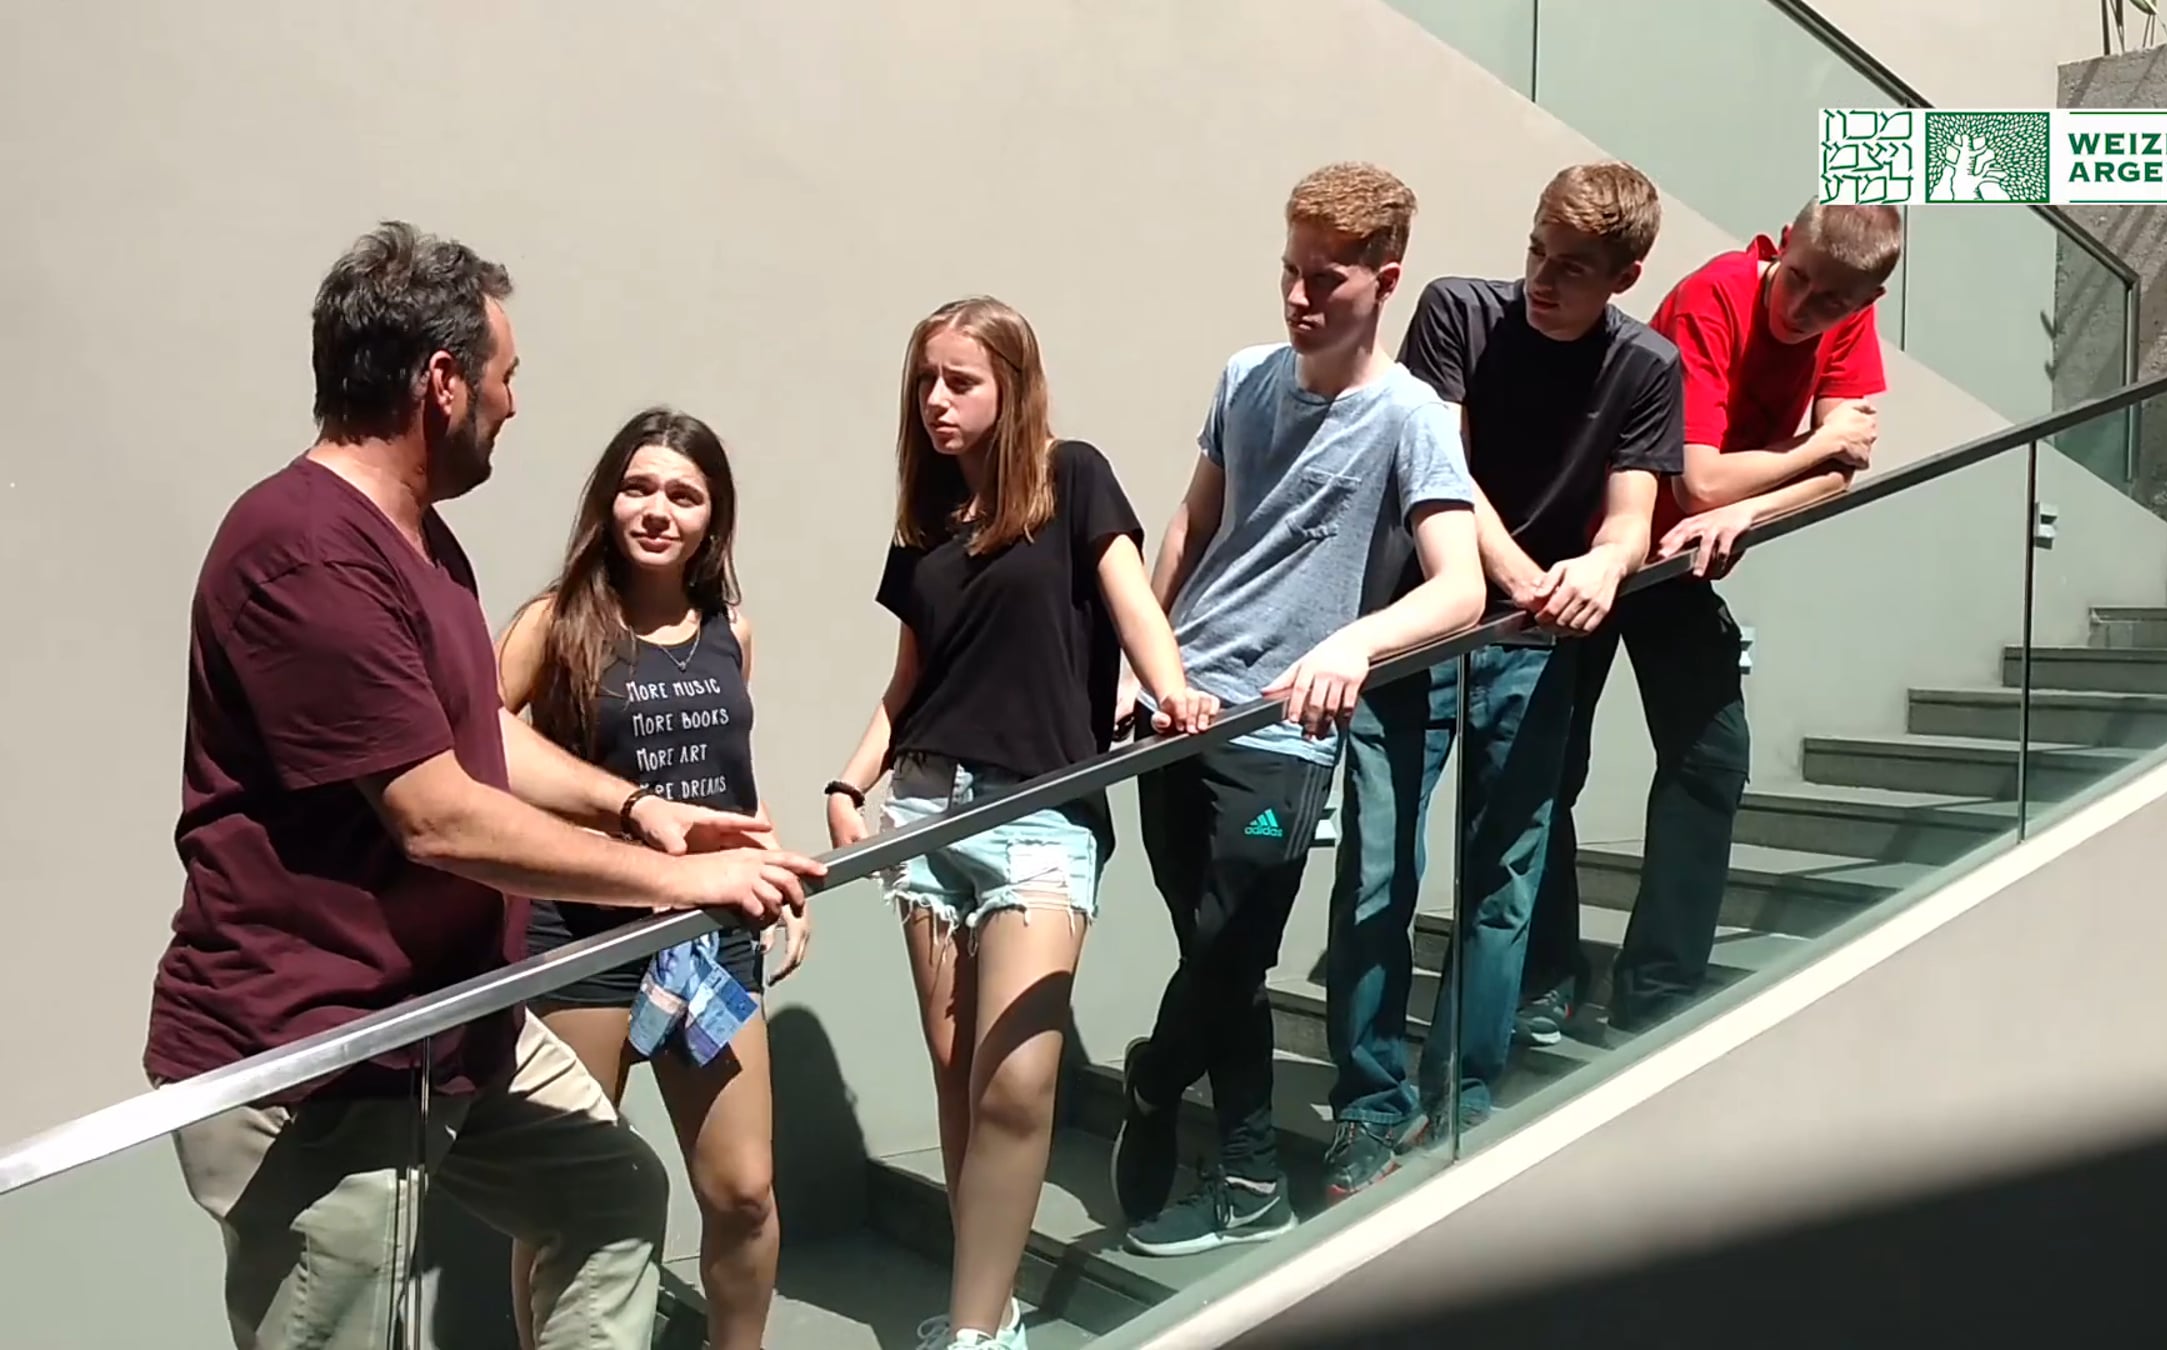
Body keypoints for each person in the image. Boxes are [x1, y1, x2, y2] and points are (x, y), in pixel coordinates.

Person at [143, 222, 823, 1350]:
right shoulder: (306, 551)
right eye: (506, 378)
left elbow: (477, 738)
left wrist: (639, 808)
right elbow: (435, 814)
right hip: (322, 1063)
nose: (513, 404)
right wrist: (673, 882)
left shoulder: (422, 544)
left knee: (608, 1194)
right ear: (443, 383)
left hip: (452, 1023)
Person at [1108, 161, 1486, 1256]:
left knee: (1229, 949)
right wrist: (1147, 667)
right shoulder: (1244, 378)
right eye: (1289, 270)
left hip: (1282, 731)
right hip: (1182, 708)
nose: (1297, 297)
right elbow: (1191, 527)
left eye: (1325, 279)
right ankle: (1251, 1181)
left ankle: (1156, 1081)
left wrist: (1354, 642)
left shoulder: (1411, 417)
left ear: (1385, 280)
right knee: (1212, 952)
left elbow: (1462, 587)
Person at [824, 295, 1214, 1350]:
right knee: (960, 1079)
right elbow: (909, 684)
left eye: (960, 380)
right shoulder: (925, 525)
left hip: (1042, 814)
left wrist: (1171, 687)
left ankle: (978, 1336)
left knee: (1018, 1082)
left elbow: (1135, 604)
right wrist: (848, 783)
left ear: (1012, 386)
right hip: (925, 809)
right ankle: (979, 1317)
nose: (937, 400)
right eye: (925, 380)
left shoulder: (1072, 478)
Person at [1317, 161, 1684, 1198]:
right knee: (1377, 875)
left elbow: (1630, 517)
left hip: (1533, 655)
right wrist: (1523, 578)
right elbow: (1442, 470)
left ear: (1625, 275)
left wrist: (1606, 564)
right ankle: (1368, 1106)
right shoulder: (1459, 314)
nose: (1542, 280)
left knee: (1502, 884)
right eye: (1536, 251)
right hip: (1417, 636)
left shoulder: (1645, 365)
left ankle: (1462, 1095)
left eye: (1573, 268)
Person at [1515, 198, 1898, 1046]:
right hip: (1590, 549)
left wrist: (1749, 510)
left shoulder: (1847, 311)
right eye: (1798, 281)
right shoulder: (1714, 295)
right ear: (1782, 245)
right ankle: (1543, 978)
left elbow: (1846, 474)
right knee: (1548, 769)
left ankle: (1657, 993)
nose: (1804, 309)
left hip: (1673, 566)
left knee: (1712, 761)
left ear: (1866, 303)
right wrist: (1806, 451)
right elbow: (1701, 482)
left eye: (1833, 302)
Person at [496, 406, 804, 1350]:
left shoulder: (731, 630)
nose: (658, 510)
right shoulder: (554, 623)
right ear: (608, 499)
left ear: (714, 518)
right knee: (568, 1201)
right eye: (638, 488)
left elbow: (730, 777)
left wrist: (774, 869)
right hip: (584, 938)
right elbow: (475, 737)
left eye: (684, 494)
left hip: (710, 942)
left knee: (744, 1191)